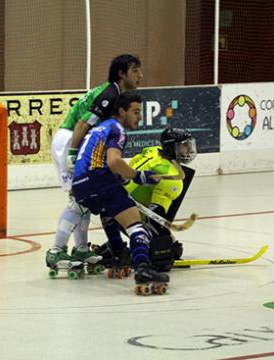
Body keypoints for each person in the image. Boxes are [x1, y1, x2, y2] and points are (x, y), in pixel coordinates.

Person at [46, 54, 143, 275]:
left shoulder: (117, 94)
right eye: (135, 70)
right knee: (78, 198)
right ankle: (57, 249)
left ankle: (81, 249)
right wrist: (72, 153)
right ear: (121, 73)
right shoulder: (110, 94)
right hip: (71, 138)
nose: (140, 75)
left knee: (86, 198)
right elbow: (82, 123)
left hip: (80, 142)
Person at [71, 92, 170, 295]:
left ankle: (118, 255)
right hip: (98, 179)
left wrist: (120, 178)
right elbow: (114, 162)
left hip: (80, 185)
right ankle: (143, 269)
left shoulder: (100, 128)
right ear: (121, 111)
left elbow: (95, 160)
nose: (139, 117)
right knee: (135, 225)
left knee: (110, 211)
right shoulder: (117, 129)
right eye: (135, 112)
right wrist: (137, 176)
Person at [95, 128, 197, 274]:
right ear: (171, 147)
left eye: (189, 144)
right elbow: (155, 219)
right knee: (175, 249)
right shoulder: (172, 177)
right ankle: (127, 251)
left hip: (110, 210)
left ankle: (116, 245)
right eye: (184, 145)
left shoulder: (152, 150)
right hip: (128, 216)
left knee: (170, 242)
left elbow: (132, 166)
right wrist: (159, 250)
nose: (189, 149)